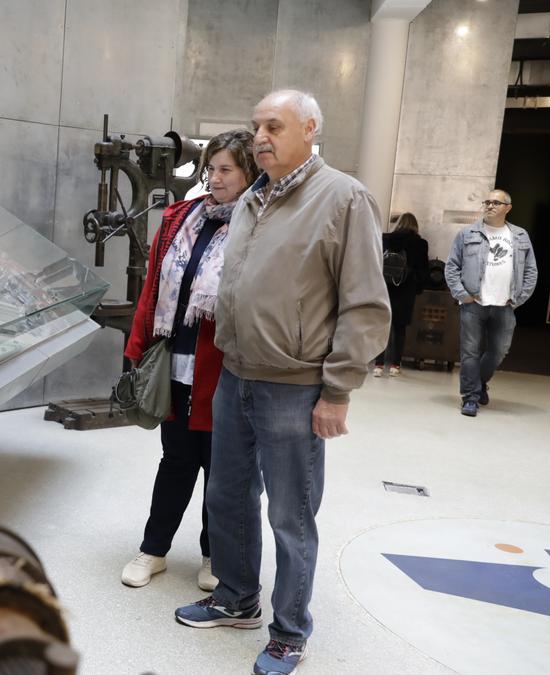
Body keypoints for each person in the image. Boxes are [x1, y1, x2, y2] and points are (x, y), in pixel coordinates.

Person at [172, 90, 390, 675]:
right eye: (256, 126)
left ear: (310, 129)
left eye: (275, 125)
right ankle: (237, 598)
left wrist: (338, 389)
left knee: (291, 515)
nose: (261, 136)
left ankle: (290, 631)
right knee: (227, 495)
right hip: (236, 374)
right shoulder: (251, 199)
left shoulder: (343, 198)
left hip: (295, 386)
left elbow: (366, 304)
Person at [120, 129, 259, 592]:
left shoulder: (258, 226)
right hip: (175, 362)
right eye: (211, 169)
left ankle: (211, 554)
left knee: (221, 469)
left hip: (225, 369)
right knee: (175, 460)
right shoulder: (182, 218)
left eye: (226, 170)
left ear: (248, 174)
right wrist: (135, 349)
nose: (215, 179)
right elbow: (152, 291)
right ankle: (153, 550)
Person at [443, 189, 537, 417]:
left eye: (496, 202)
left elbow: (531, 271)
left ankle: (479, 382)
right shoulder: (467, 233)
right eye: (487, 202)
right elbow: (451, 267)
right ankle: (470, 398)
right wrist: (463, 295)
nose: (490, 206)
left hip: (505, 305)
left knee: (498, 352)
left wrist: (518, 299)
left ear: (508, 207)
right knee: (470, 353)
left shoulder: (520, 235)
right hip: (473, 304)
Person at [373, 213, 429, 377]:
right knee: (400, 329)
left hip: (384, 288)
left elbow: (375, 262)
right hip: (406, 289)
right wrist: (418, 288)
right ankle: (395, 365)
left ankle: (378, 364)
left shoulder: (385, 238)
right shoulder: (420, 243)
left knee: (382, 327)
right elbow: (423, 270)